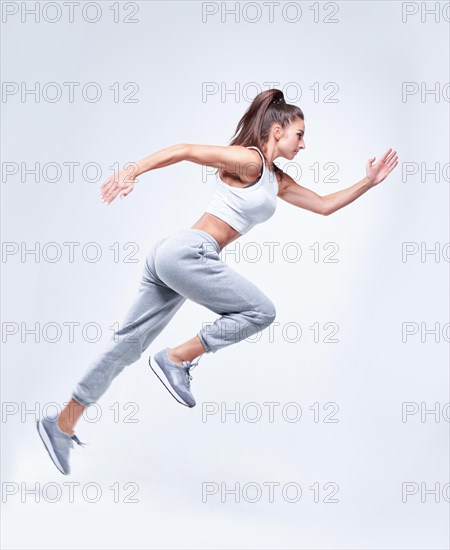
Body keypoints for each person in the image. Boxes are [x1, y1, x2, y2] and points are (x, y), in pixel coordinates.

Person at [36, 89, 398, 475]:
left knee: (127, 346)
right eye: (300, 134)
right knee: (260, 311)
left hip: (173, 257)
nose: (304, 143)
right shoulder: (249, 161)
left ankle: (62, 424)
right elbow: (185, 149)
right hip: (189, 253)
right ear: (277, 131)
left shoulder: (276, 179)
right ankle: (176, 357)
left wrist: (368, 182)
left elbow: (324, 206)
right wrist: (131, 172)